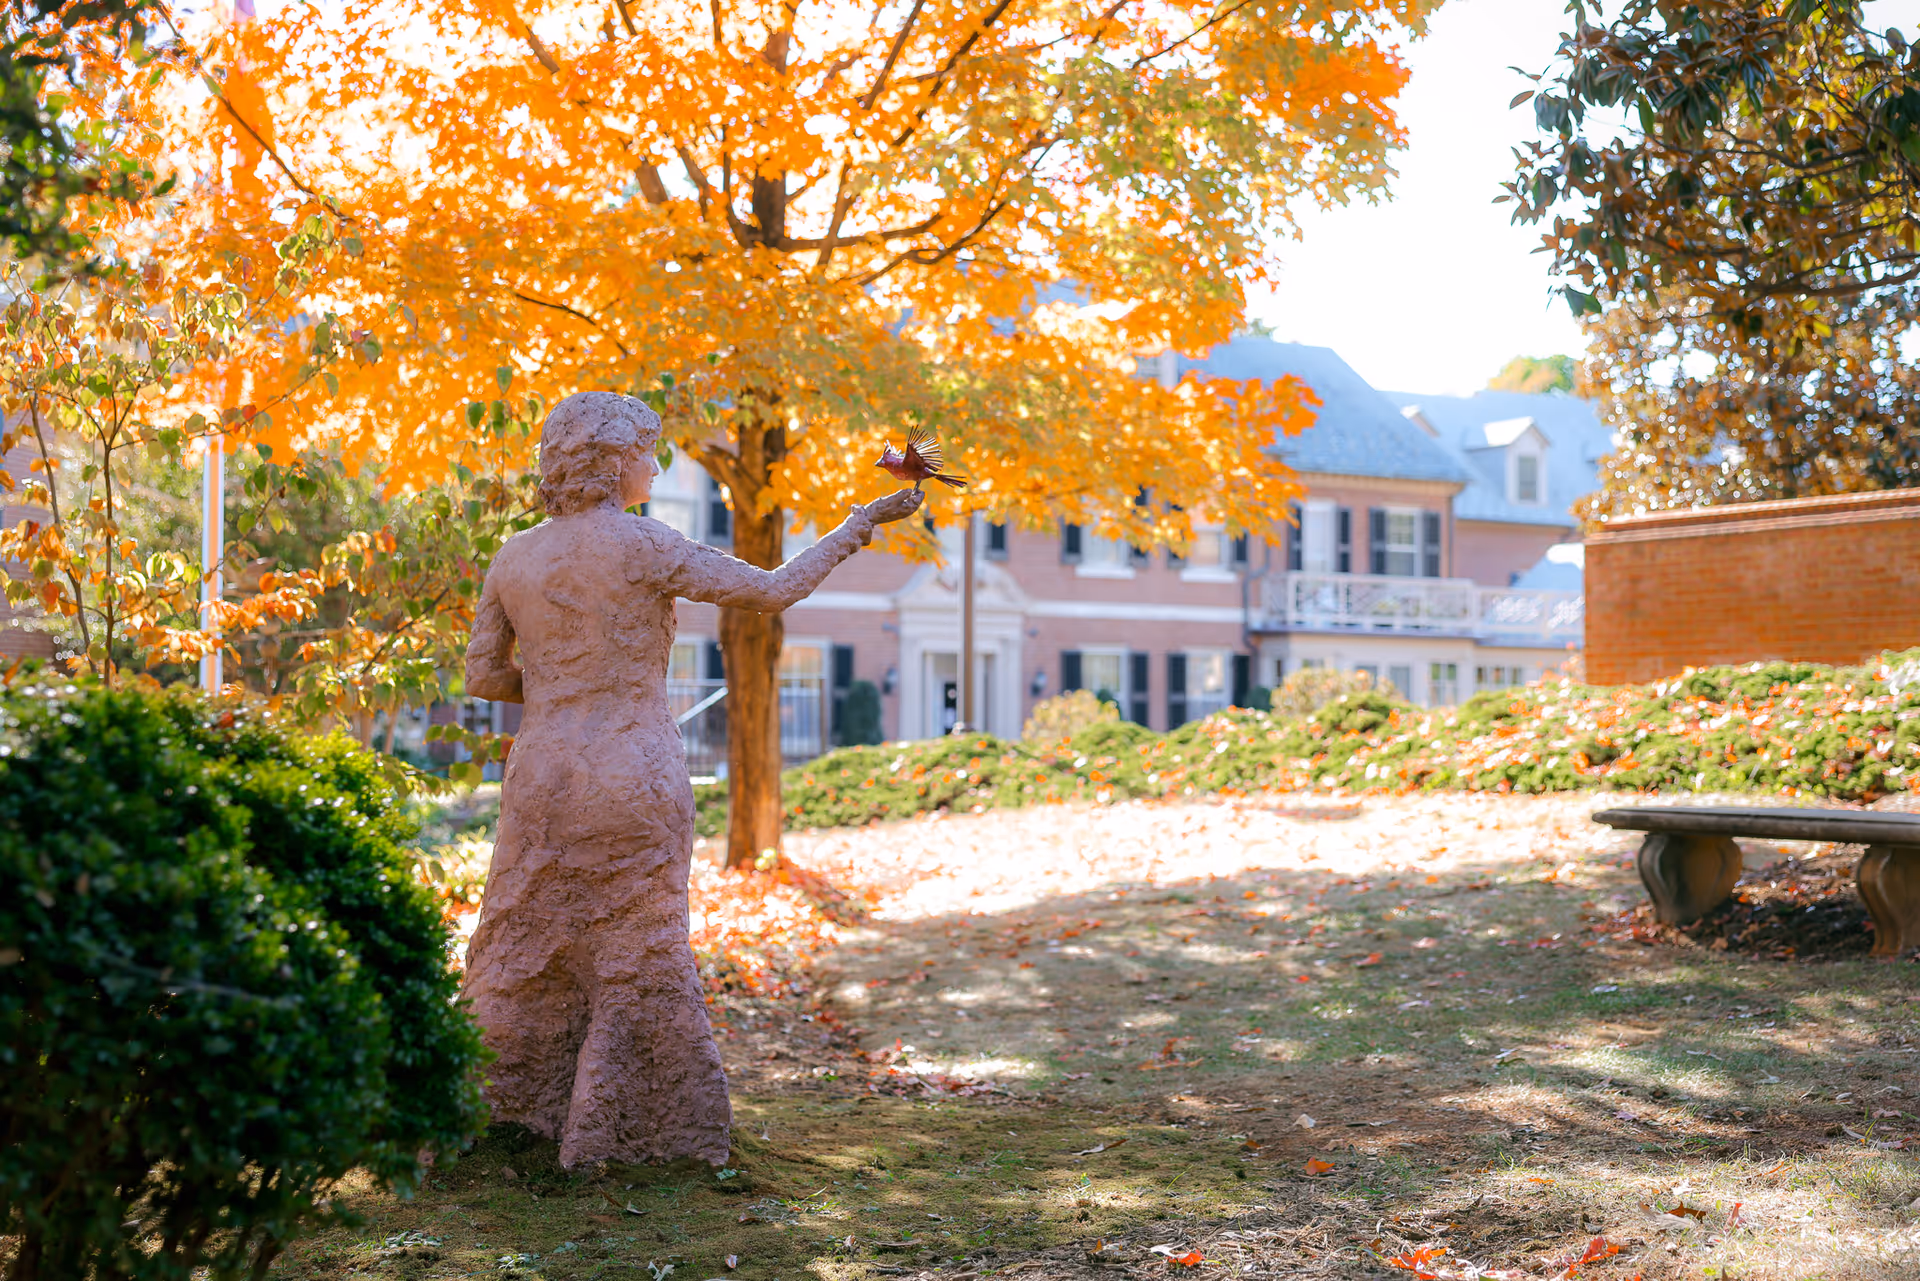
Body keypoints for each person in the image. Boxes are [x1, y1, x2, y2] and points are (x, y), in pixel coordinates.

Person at [462, 391, 923, 1166]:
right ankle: (652, 1126)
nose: (654, 462)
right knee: (640, 950)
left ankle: (498, 1109)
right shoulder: (644, 546)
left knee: (518, 940)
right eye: (647, 449)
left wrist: (556, 684)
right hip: (632, 771)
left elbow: (482, 678)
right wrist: (856, 528)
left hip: (542, 774)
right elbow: (772, 591)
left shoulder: (515, 558)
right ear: (612, 461)